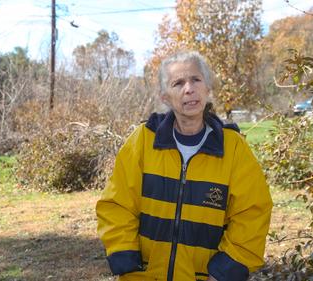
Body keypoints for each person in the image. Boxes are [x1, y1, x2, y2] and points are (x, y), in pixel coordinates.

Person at [96, 51, 273, 281]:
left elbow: (253, 213)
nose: (188, 89)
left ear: (207, 89)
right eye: (178, 83)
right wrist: (126, 259)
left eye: (196, 80)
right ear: (165, 97)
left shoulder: (234, 148)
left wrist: (225, 271)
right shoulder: (143, 141)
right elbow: (117, 205)